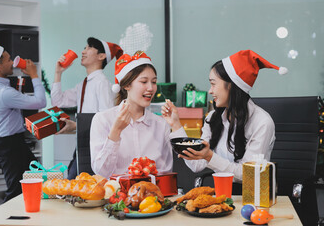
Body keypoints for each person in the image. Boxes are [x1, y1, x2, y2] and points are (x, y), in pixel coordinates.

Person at [162, 50, 288, 182]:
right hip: (222, 194)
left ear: (232, 85)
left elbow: (249, 176)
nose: (210, 91)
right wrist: (175, 125)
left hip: (251, 197)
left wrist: (210, 157)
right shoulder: (212, 117)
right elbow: (197, 165)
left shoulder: (262, 122)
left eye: (213, 84)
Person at [0, 42, 46, 202]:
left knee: (37, 178)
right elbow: (41, 102)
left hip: (10, 144)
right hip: (9, 145)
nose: (13, 62)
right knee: (16, 193)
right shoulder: (3, 92)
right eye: (8, 60)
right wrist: (34, 75)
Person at [89, 51, 179, 179]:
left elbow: (165, 172)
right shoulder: (102, 119)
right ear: (126, 85)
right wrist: (116, 131)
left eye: (153, 82)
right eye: (144, 82)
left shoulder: (161, 124)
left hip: (150, 196)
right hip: (116, 196)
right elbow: (102, 173)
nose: (151, 88)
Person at [52, 37, 123, 179]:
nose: (83, 51)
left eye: (89, 48)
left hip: (95, 145)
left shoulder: (101, 83)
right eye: (85, 47)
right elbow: (58, 100)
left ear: (101, 56)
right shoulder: (84, 84)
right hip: (83, 142)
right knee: (74, 181)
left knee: (77, 182)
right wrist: (58, 73)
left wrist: (76, 126)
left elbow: (107, 121)